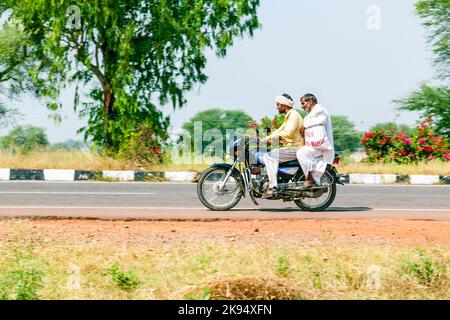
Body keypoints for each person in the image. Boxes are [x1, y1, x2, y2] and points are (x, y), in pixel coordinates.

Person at [260, 93, 304, 198]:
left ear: (284, 105)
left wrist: (272, 139)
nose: (276, 107)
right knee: (267, 154)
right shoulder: (288, 116)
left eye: (278, 104)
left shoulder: (293, 115)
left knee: (269, 156)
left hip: (295, 148)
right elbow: (279, 130)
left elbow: (288, 132)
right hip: (291, 147)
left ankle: (273, 187)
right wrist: (264, 139)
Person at [296, 93, 335, 188]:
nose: (301, 106)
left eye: (303, 103)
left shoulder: (320, 110)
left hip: (321, 147)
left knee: (301, 153)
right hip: (316, 146)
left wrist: (304, 125)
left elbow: (321, 121)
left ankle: (310, 179)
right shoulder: (312, 114)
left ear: (310, 101)